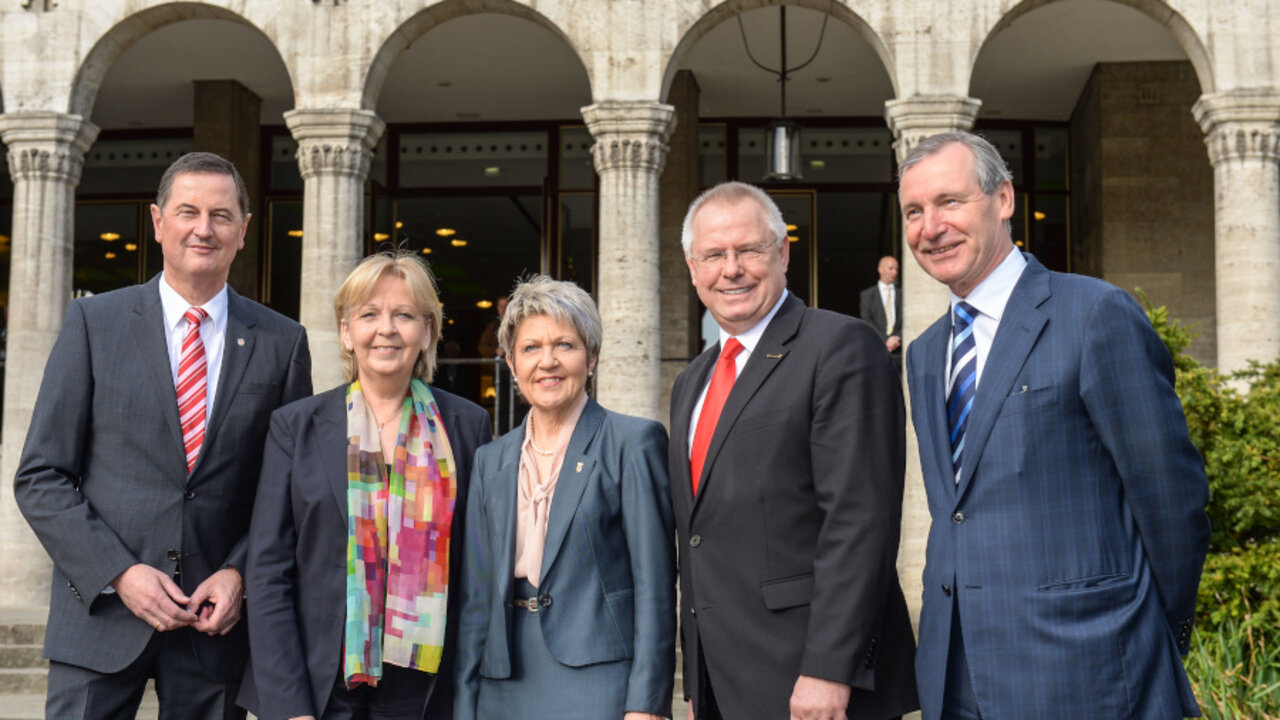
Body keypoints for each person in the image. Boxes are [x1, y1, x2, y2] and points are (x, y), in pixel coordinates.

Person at [898, 131, 1211, 720]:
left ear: (1004, 200)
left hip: (1089, 670)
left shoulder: (1092, 314)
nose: (930, 227)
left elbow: (1172, 498)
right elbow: (958, 511)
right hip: (954, 677)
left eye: (950, 201)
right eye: (914, 211)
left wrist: (1150, 633)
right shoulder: (924, 353)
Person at [13, 151, 313, 720]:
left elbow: (290, 488)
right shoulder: (93, 324)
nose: (204, 228)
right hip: (98, 620)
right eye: (188, 212)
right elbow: (40, 477)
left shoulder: (283, 341)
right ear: (157, 222)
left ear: (244, 231)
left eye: (222, 215)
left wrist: (240, 574)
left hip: (214, 628)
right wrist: (119, 573)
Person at [669, 181, 918, 720]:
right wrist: (698, 682)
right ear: (693, 268)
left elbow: (860, 522)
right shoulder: (691, 382)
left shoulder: (841, 347)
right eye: (713, 255)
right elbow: (700, 536)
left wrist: (831, 669)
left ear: (782, 253)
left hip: (814, 683)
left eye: (749, 250)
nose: (730, 269)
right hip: (723, 682)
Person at [238, 252, 492, 720]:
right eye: (369, 314)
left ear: (428, 332)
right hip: (319, 686)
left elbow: (479, 574)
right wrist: (288, 704)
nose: (387, 329)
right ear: (345, 331)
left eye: (405, 315)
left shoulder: (467, 426)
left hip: (427, 690)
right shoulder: (296, 426)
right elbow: (268, 571)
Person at [454, 275, 675, 720]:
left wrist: (646, 704)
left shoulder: (633, 442)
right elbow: (475, 599)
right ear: (511, 364)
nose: (547, 362)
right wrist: (464, 702)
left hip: (600, 678)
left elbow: (655, 586)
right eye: (530, 348)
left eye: (565, 345)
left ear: (591, 356)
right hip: (502, 682)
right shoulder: (489, 460)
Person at [859, 256, 902, 371]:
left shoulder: (902, 293)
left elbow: (908, 319)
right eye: (891, 268)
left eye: (896, 269)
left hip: (900, 351)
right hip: (876, 349)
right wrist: (885, 340)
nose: (894, 272)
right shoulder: (867, 295)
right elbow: (866, 320)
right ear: (880, 269)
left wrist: (896, 339)